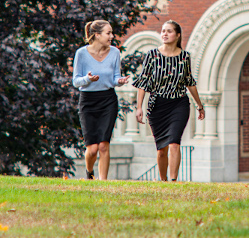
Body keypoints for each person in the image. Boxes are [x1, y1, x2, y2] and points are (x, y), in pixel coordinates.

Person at [133, 20, 205, 181]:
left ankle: (173, 181)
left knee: (174, 143)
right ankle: (163, 180)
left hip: (179, 104)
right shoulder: (152, 55)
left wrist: (199, 105)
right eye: (163, 31)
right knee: (161, 150)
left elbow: (189, 82)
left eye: (169, 31)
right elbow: (143, 82)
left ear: (177, 35)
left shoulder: (185, 57)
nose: (164, 34)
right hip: (157, 105)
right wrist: (139, 107)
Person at [72, 20, 129, 180]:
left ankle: (103, 182)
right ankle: (89, 172)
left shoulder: (115, 53)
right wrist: (88, 79)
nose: (112, 36)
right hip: (88, 101)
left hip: (108, 100)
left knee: (104, 145)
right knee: (92, 149)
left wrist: (120, 81)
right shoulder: (81, 53)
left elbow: (115, 77)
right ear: (97, 35)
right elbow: (76, 81)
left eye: (111, 33)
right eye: (108, 33)